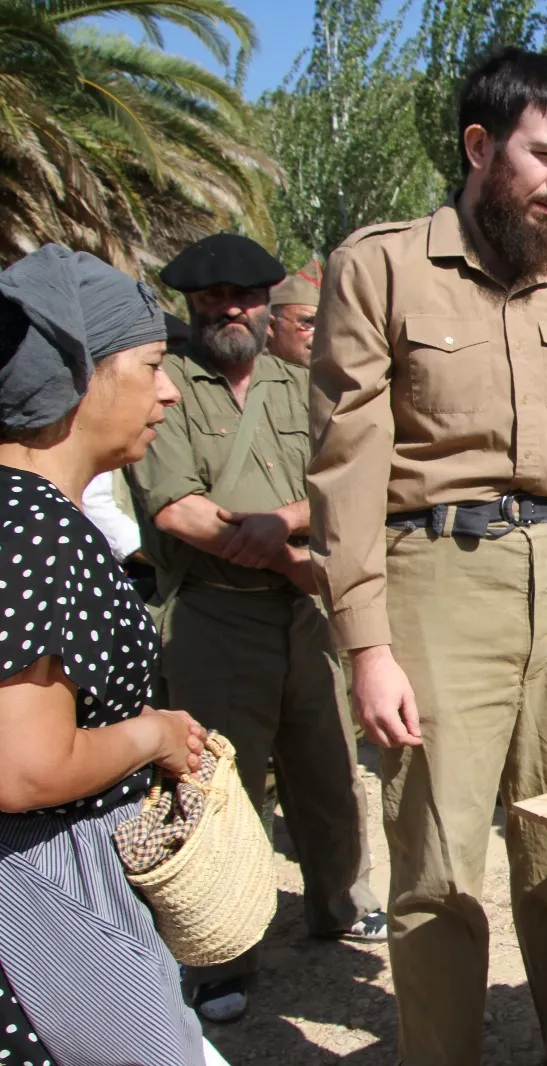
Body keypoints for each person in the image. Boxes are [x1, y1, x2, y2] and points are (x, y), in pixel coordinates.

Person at [308, 49, 547, 1066]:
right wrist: (366, 643)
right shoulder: (377, 267)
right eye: (546, 154)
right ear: (477, 145)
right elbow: (345, 473)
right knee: (437, 858)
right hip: (434, 579)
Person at [128, 232, 383, 1024]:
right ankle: (219, 956)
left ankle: (341, 903)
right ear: (191, 305)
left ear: (267, 303)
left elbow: (340, 478)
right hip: (214, 614)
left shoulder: (297, 382)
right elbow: (176, 508)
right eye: (213, 299)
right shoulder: (164, 387)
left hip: (302, 618)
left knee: (328, 767)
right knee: (218, 791)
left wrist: (282, 522)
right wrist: (285, 555)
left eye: (244, 296)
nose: (230, 309)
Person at [0, 244, 209, 1065]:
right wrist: (152, 736)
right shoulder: (33, 529)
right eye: (152, 364)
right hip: (48, 903)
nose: (167, 389)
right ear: (82, 376)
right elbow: (25, 767)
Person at [266, 258, 321, 368]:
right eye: (308, 322)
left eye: (325, 325)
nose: (321, 334)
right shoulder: (246, 377)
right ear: (272, 326)